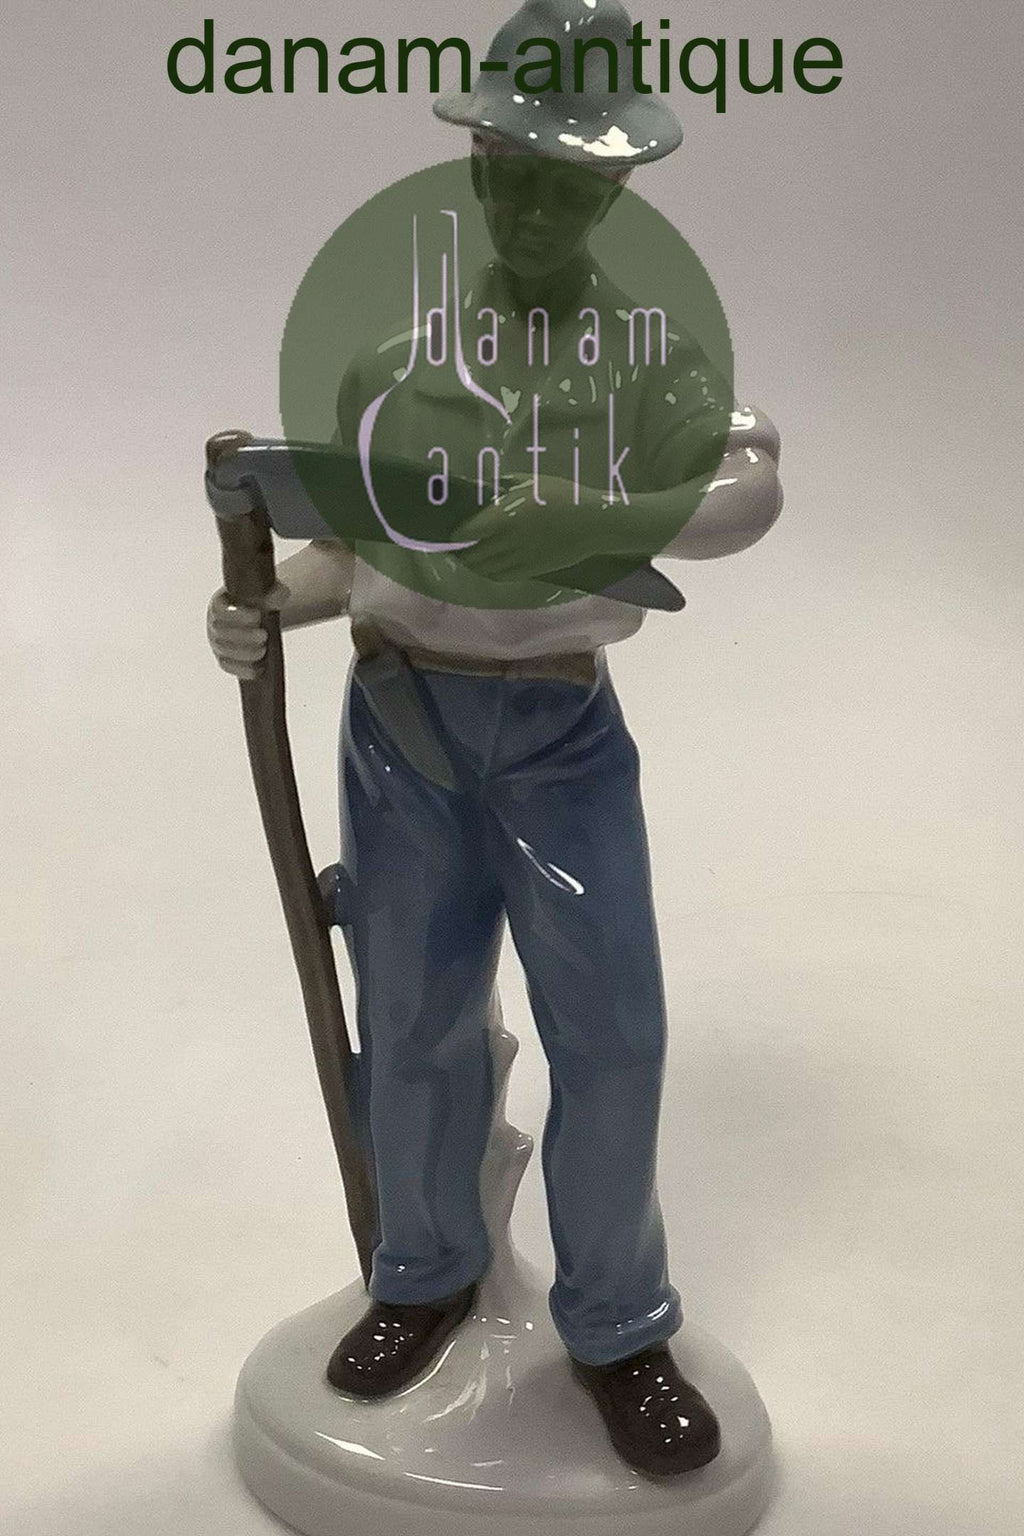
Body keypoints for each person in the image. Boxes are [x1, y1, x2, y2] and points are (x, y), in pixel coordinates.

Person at [207, 0, 782, 1478]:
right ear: (475, 167)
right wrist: (267, 606)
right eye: (514, 173)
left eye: (568, 182)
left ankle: (617, 1320)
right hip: (404, 721)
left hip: (560, 731)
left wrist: (595, 514)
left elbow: (745, 490)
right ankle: (424, 1267)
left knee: (614, 1030)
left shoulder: (647, 359)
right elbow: (356, 552)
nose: (535, 207)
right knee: (411, 1014)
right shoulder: (396, 356)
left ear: (616, 189)